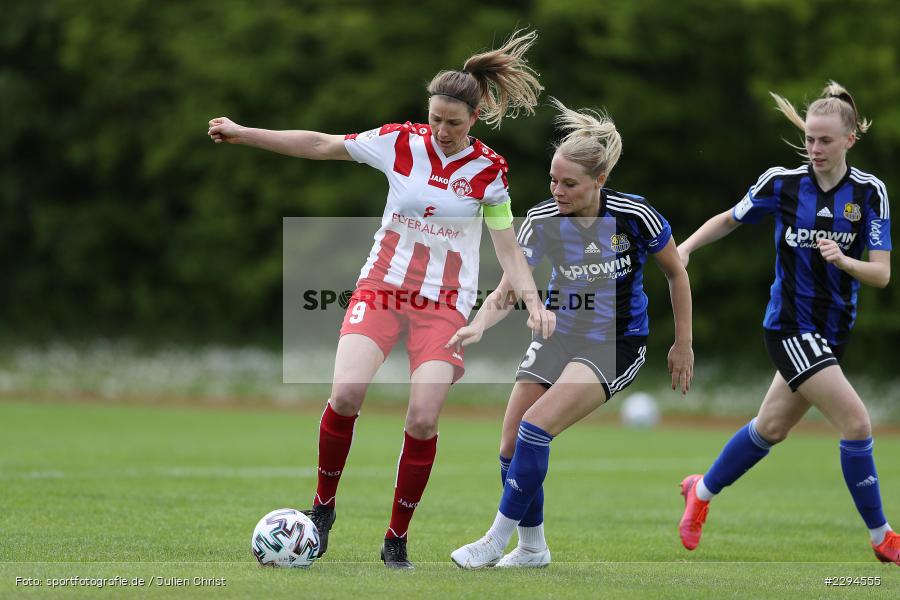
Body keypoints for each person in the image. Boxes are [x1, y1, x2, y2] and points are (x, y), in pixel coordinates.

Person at [208, 29, 555, 569]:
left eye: (454, 122)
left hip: (445, 305)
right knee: (345, 394)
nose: (442, 130)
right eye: (436, 118)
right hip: (383, 287)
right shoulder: (399, 142)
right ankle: (322, 508)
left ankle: (396, 539)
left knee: (422, 418)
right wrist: (243, 133)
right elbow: (322, 144)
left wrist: (531, 302)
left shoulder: (491, 171)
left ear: (477, 115)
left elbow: (507, 248)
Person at [448, 98, 694, 569]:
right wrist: (477, 324)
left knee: (536, 427)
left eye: (570, 183)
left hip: (615, 343)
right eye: (553, 180)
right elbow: (508, 291)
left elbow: (676, 274)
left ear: (599, 181)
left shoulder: (635, 216)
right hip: (559, 335)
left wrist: (682, 344)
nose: (557, 190)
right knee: (509, 445)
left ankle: (493, 541)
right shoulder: (541, 222)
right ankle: (533, 549)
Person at [676, 81, 897, 565]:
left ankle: (701, 491)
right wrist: (685, 249)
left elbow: (880, 274)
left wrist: (844, 261)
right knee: (857, 423)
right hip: (790, 326)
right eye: (809, 139)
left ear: (850, 140)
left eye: (825, 140)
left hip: (833, 331)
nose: (814, 149)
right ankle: (883, 537)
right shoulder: (782, 182)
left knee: (771, 428)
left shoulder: (870, 193)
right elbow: (731, 218)